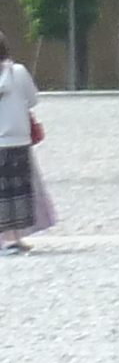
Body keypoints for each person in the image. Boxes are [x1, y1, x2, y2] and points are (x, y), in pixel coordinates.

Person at [0, 32, 46, 252]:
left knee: (2, 192)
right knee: (17, 191)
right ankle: (14, 237)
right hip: (18, 140)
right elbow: (32, 100)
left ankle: (8, 239)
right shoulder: (18, 72)